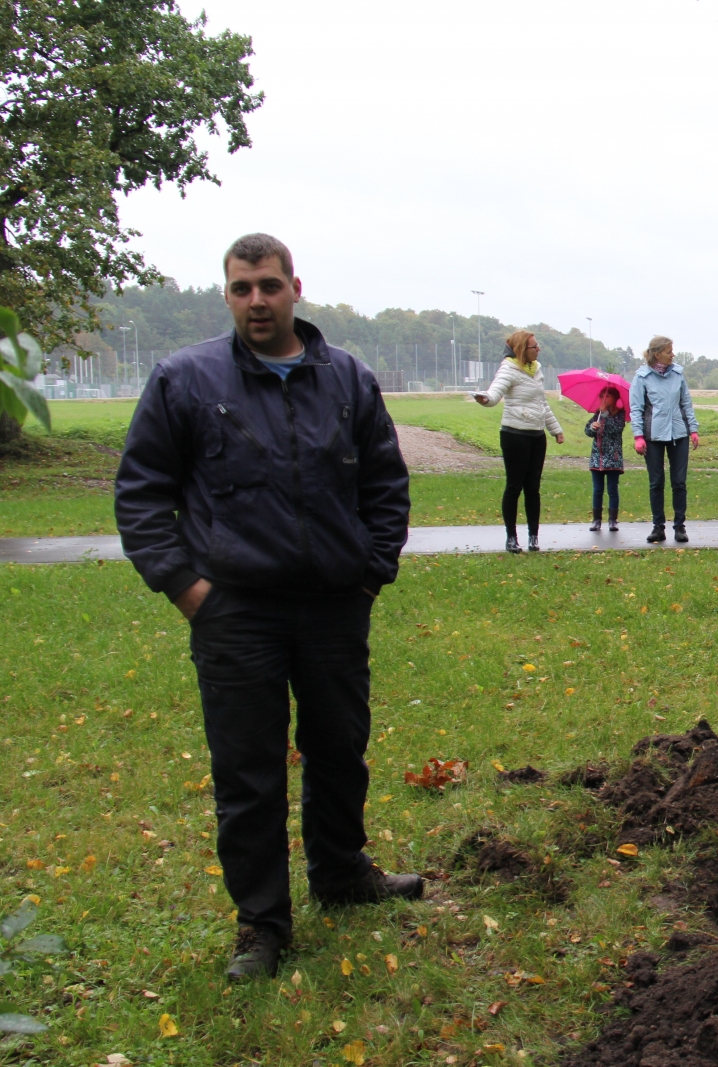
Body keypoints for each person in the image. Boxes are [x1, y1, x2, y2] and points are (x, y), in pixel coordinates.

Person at [113, 233, 419, 982]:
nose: (258, 300)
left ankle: (342, 872)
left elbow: (384, 481)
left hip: (332, 607)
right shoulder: (185, 380)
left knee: (340, 748)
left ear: (295, 288)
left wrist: (369, 572)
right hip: (235, 611)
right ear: (227, 294)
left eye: (270, 286)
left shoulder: (347, 379)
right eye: (243, 287)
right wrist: (188, 589)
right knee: (248, 771)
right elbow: (142, 490)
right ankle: (261, 922)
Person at [475, 331, 564, 553]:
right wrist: (485, 399)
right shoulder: (509, 368)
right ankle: (511, 537)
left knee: (533, 488)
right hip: (514, 434)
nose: (538, 349)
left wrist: (556, 430)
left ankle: (533, 536)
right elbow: (495, 393)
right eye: (534, 346)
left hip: (536, 435)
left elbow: (541, 403)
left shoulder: (537, 370)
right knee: (514, 486)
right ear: (523, 349)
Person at [629, 335, 699, 544]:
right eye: (669, 351)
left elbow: (686, 403)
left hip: (678, 433)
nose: (673, 354)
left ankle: (680, 526)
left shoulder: (678, 374)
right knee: (656, 482)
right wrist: (638, 436)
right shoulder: (642, 378)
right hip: (653, 436)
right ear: (657, 354)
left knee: (679, 482)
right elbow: (636, 409)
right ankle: (658, 527)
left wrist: (693, 430)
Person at [585, 384, 627, 532]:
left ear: (614, 399)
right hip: (597, 459)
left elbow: (616, 429)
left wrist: (605, 417)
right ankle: (596, 520)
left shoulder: (619, 415)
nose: (603, 399)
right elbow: (588, 431)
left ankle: (613, 520)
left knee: (612, 489)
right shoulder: (596, 414)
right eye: (601, 396)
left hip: (613, 459)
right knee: (597, 489)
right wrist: (592, 428)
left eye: (607, 396)